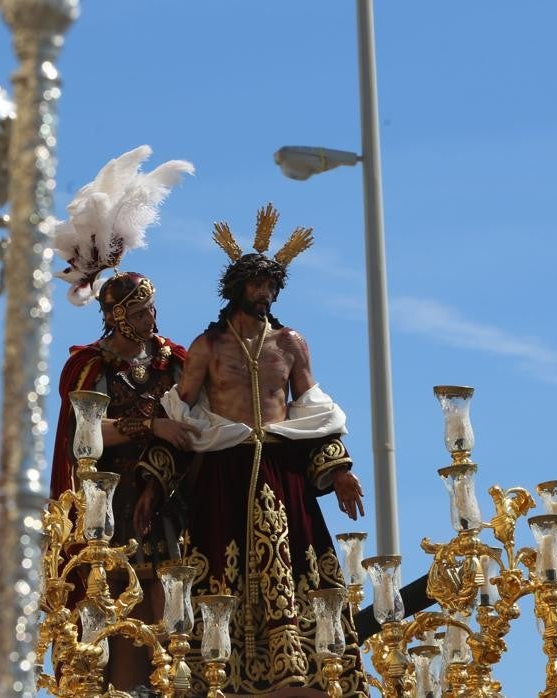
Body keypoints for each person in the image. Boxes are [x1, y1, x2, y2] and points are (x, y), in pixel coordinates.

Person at [162, 204, 368, 696]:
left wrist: (339, 471)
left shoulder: (291, 343)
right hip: (224, 470)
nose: (265, 294)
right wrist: (154, 475)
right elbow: (180, 416)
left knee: (297, 563)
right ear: (237, 287)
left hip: (282, 469)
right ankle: (216, 669)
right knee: (219, 569)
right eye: (257, 285)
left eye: (272, 287)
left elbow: (312, 413)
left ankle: (307, 669)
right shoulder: (208, 346)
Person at [49, 145, 196, 694]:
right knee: (114, 591)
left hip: (171, 491)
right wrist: (149, 426)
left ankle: (173, 677)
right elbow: (84, 439)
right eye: (138, 311)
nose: (149, 318)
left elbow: (197, 416)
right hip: (108, 499)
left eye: (150, 308)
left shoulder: (175, 359)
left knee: (170, 585)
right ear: (114, 315)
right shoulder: (90, 366)